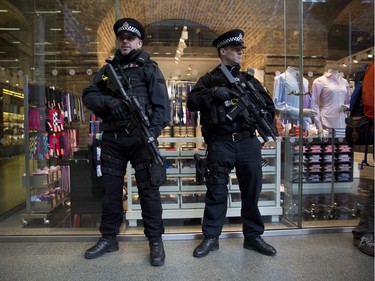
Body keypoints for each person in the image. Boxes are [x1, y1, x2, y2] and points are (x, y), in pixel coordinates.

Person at [82, 18, 170, 266]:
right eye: (122, 38)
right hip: (113, 140)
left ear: (139, 42)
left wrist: (150, 133)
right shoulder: (108, 70)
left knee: (149, 192)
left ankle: (155, 241)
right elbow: (89, 94)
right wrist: (111, 103)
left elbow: (163, 110)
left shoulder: (150, 69)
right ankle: (109, 238)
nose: (125, 41)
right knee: (110, 192)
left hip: (141, 139)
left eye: (130, 38)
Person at [186, 29, 277, 258]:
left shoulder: (249, 80)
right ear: (222, 51)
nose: (239, 52)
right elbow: (192, 102)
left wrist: (267, 129)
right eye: (235, 49)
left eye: (241, 49)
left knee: (251, 192)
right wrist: (215, 93)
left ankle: (253, 237)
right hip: (220, 144)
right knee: (216, 191)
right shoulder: (208, 80)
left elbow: (268, 107)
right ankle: (211, 238)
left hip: (248, 142)